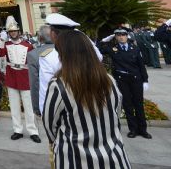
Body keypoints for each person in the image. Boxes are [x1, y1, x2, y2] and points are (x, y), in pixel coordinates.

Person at [43, 28, 131, 168]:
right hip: (113, 159)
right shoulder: (110, 80)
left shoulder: (59, 86)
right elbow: (116, 112)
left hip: (74, 160)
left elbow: (50, 126)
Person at [38, 13, 103, 115]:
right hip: (96, 110)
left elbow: (46, 94)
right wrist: (76, 32)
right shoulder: (89, 51)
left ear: (53, 34)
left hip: (68, 117)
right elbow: (99, 56)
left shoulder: (48, 58)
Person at [98, 28, 151, 139]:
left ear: (127, 36)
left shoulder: (135, 48)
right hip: (122, 80)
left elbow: (141, 66)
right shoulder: (113, 49)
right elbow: (98, 48)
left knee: (139, 104)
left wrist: (145, 80)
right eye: (118, 35)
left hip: (136, 79)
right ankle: (133, 129)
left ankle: (143, 130)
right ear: (116, 37)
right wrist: (105, 39)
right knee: (127, 105)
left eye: (123, 35)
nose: (121, 37)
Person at [0, 17, 40, 143]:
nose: (13, 33)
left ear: (19, 32)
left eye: (15, 31)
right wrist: (1, 40)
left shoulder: (28, 45)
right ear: (9, 33)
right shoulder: (7, 44)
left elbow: (34, 63)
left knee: (29, 107)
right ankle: (18, 130)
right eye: (11, 32)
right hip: (11, 77)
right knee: (14, 107)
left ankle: (33, 131)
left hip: (25, 77)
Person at [27, 25, 53, 116]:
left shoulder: (33, 55)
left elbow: (34, 83)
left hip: (46, 103)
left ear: (40, 38)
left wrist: (36, 108)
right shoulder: (65, 49)